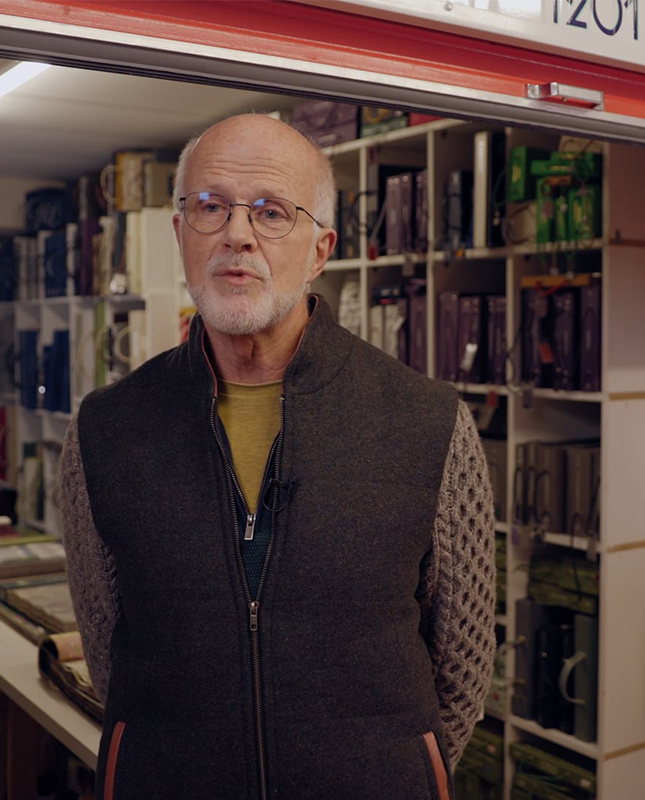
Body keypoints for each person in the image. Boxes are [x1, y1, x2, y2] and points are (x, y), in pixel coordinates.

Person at [59, 113, 496, 800]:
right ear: (180, 235)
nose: (237, 234)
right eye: (211, 207)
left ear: (320, 248)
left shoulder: (428, 423)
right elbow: (108, 645)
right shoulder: (104, 432)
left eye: (270, 212)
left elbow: (462, 669)